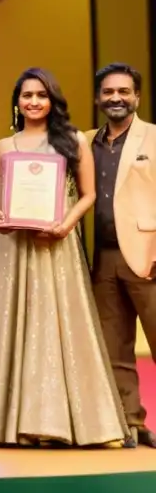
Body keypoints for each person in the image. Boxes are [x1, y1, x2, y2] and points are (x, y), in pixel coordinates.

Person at [0, 68, 130, 447]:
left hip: (56, 245)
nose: (34, 102)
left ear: (52, 100)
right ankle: (10, 426)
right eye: (26, 95)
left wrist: (64, 225)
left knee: (57, 326)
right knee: (12, 327)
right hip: (11, 249)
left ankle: (67, 424)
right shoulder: (2, 147)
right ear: (17, 101)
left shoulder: (72, 140)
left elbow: (88, 195)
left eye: (41, 95)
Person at [88, 62, 156, 448]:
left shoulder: (154, 138)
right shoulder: (85, 142)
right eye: (109, 92)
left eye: (124, 91)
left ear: (137, 97)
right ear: (98, 98)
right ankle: (131, 422)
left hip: (149, 256)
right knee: (115, 347)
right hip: (103, 259)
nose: (116, 98)